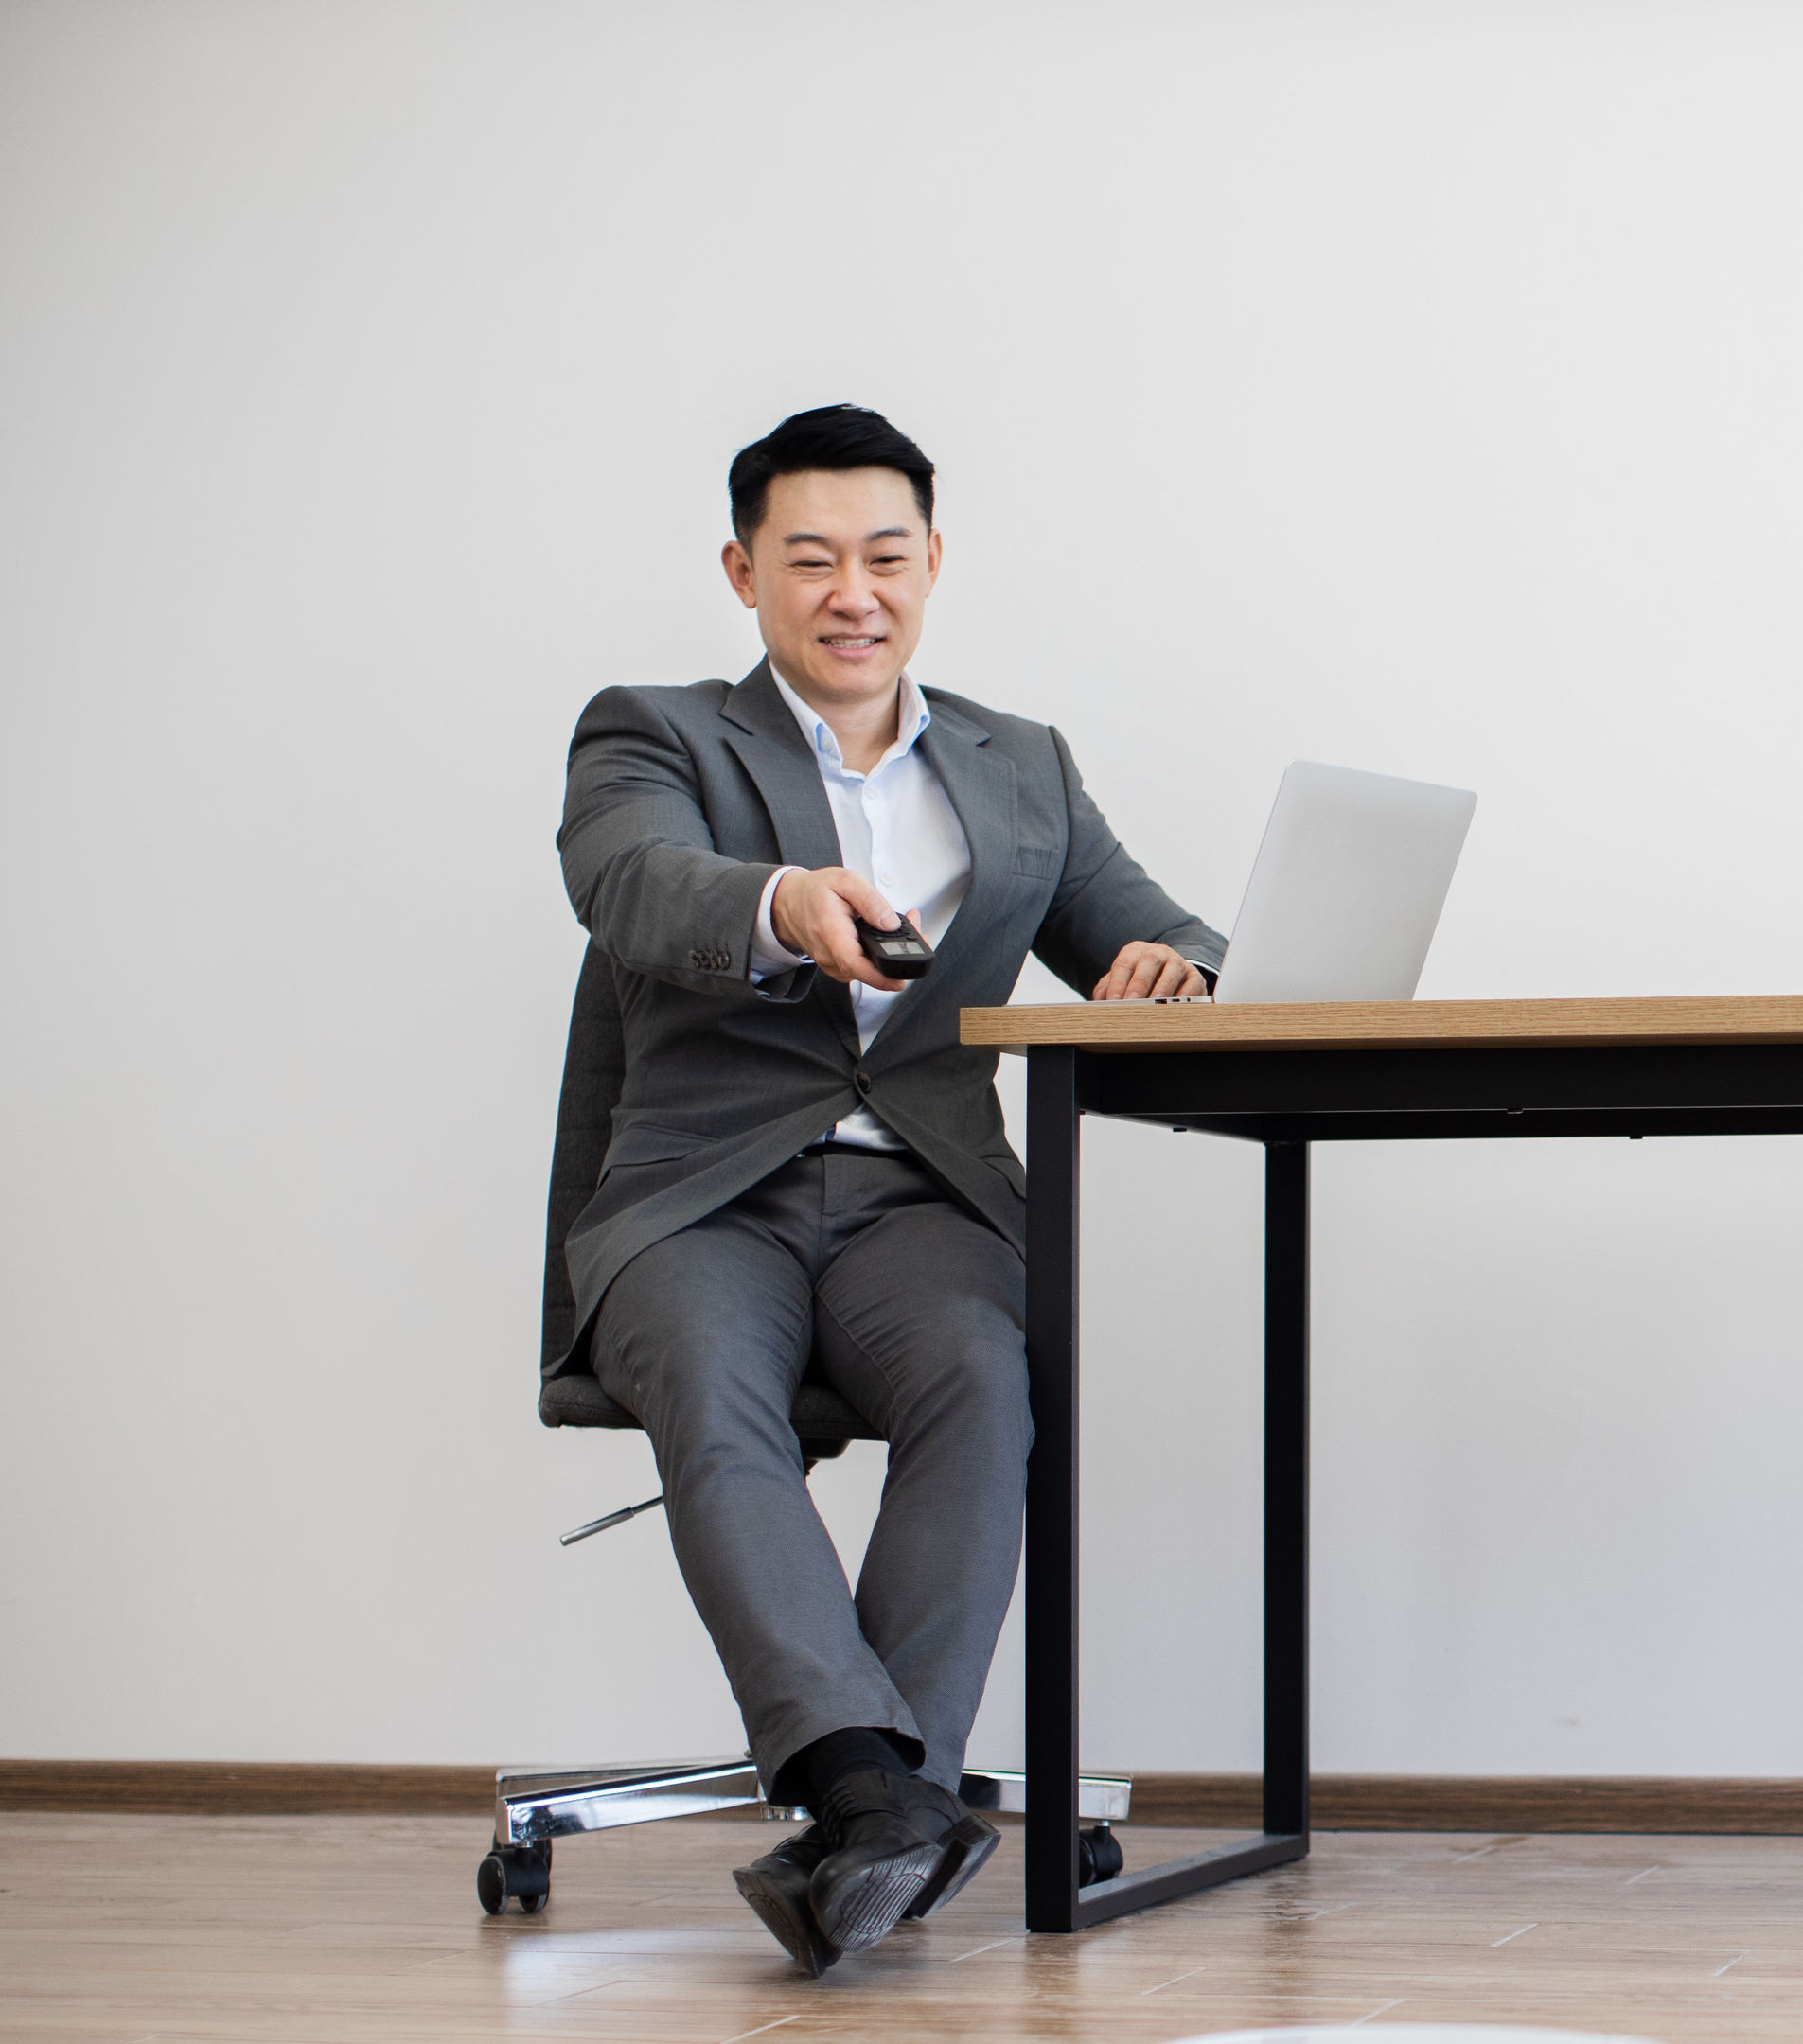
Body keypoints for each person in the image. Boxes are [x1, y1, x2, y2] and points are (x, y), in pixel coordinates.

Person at [552, 404, 1220, 1974]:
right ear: (744, 573)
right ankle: (870, 1786)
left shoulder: (1019, 769)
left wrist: (1171, 968)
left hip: (922, 1196)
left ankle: (870, 1820)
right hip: (704, 1193)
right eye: (811, 559)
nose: (854, 591)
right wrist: (786, 900)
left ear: (932, 567)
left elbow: (1167, 929)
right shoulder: (653, 731)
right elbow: (632, 880)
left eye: (887, 556)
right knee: (711, 1385)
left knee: (990, 1379)